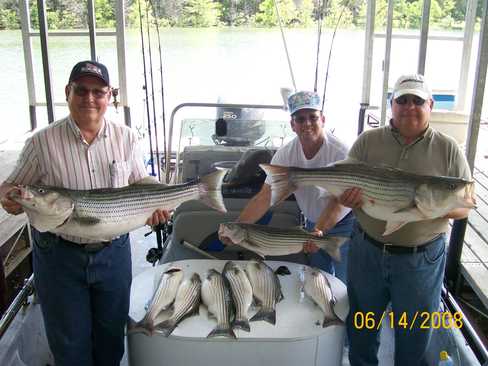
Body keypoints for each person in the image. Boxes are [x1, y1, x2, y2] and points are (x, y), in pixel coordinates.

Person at [0, 60, 169, 366]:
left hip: (113, 253)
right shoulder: (41, 142)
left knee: (111, 336)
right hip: (58, 256)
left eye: (98, 91)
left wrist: (158, 206)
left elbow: (140, 183)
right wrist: (10, 198)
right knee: (69, 343)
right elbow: (11, 186)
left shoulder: (127, 137)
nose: (89, 98)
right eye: (81, 90)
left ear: (109, 96)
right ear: (68, 92)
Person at [340, 74, 472, 365]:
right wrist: (343, 198)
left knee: (414, 335)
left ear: (431, 105)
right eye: (402, 100)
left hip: (421, 261)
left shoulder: (448, 149)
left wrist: (432, 207)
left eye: (417, 100)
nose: (409, 106)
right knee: (362, 326)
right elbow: (342, 187)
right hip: (367, 253)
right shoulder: (367, 141)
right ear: (391, 105)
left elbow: (464, 207)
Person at [220, 90, 353, 281]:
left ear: (323, 119)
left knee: (346, 283)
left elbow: (340, 201)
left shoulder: (341, 152)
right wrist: (236, 228)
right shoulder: (285, 155)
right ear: (292, 125)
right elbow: (265, 197)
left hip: (345, 224)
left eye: (312, 117)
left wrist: (319, 232)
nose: (307, 123)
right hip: (312, 224)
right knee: (318, 279)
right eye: (300, 119)